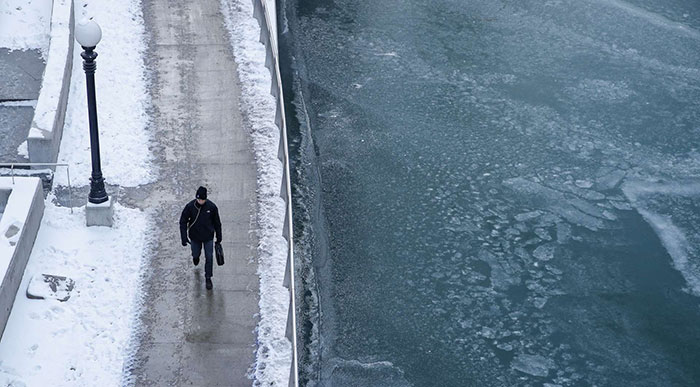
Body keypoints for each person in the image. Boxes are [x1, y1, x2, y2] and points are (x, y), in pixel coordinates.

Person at [180, 186, 222, 290]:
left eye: (202, 199)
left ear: (206, 199)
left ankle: (208, 278)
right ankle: (196, 257)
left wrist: (219, 237)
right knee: (195, 252)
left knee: (209, 257)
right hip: (195, 237)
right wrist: (184, 237)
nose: (200, 201)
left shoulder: (212, 207)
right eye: (198, 199)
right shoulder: (190, 207)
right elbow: (183, 221)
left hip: (208, 237)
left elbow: (217, 223)